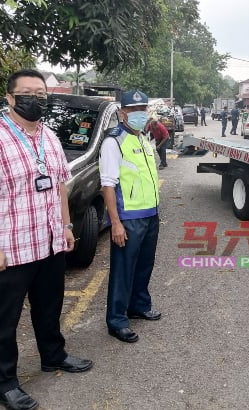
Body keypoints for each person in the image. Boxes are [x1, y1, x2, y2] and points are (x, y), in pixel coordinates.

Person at [0, 69, 93, 410]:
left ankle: (54, 356)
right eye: (28, 93)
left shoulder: (48, 137)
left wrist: (65, 227)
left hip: (48, 242)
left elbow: (60, 186)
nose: (35, 99)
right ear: (10, 98)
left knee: (49, 306)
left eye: (41, 93)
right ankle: (4, 384)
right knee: (3, 320)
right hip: (12, 248)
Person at [99, 89, 162, 344]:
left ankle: (139, 305)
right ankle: (117, 320)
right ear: (123, 113)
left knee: (144, 264)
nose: (139, 114)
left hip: (150, 214)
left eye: (142, 109)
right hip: (129, 218)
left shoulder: (143, 139)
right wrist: (115, 222)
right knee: (123, 270)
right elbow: (107, 184)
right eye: (134, 110)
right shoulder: (114, 141)